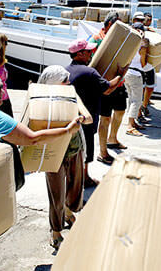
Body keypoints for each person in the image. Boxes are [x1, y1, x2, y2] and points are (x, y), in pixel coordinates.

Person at [38, 65, 93, 250]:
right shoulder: (39, 100)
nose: (69, 83)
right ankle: (56, 231)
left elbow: (89, 117)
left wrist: (81, 119)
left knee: (75, 187)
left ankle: (69, 212)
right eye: (64, 81)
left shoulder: (72, 95)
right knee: (56, 193)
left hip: (74, 147)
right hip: (52, 150)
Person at [66, 39, 125, 186]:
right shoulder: (89, 72)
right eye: (88, 52)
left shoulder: (66, 70)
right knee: (86, 150)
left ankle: (73, 177)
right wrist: (121, 74)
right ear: (79, 54)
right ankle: (84, 178)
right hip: (87, 118)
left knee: (72, 149)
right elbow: (108, 89)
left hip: (70, 117)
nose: (91, 54)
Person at [88, 12, 129, 165]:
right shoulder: (96, 39)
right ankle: (103, 152)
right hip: (104, 85)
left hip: (118, 82)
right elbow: (88, 61)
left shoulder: (119, 39)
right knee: (105, 118)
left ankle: (113, 139)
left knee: (120, 111)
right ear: (110, 25)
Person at [124, 22, 150, 136]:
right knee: (137, 100)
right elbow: (143, 64)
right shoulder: (142, 46)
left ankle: (132, 122)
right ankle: (130, 125)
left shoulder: (128, 43)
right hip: (136, 74)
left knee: (131, 98)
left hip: (127, 72)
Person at [141, 12, 156, 117]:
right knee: (140, 88)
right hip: (140, 67)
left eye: (150, 19)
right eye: (147, 19)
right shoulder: (138, 31)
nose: (149, 21)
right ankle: (141, 108)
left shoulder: (153, 32)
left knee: (150, 87)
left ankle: (145, 104)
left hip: (149, 65)